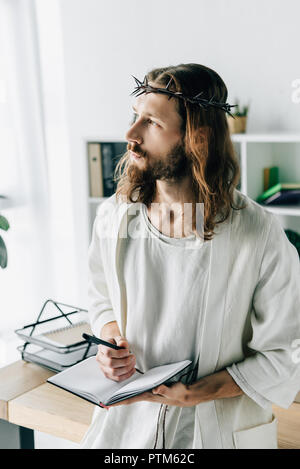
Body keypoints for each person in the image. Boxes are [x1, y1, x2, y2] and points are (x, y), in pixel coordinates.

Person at [80, 64, 300, 449]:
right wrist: (111, 340)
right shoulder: (115, 215)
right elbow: (100, 296)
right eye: (135, 117)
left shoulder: (259, 234)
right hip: (127, 430)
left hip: (216, 433)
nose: (130, 135)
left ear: (197, 137)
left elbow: (285, 353)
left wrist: (198, 393)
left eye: (151, 123)